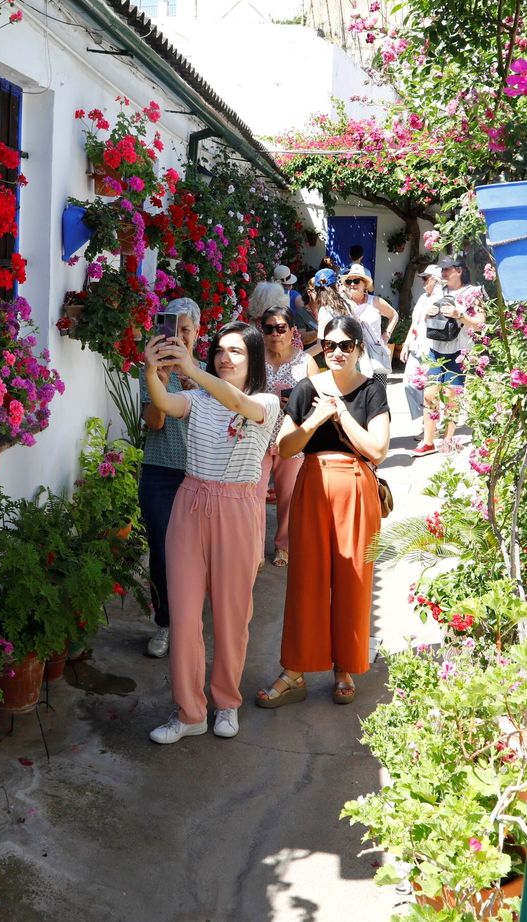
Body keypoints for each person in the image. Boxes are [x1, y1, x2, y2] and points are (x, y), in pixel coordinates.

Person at [143, 321, 280, 744]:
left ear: (253, 358)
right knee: (183, 617)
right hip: (191, 503)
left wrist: (192, 369)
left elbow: (240, 404)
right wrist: (153, 371)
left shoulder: (266, 401)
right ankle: (190, 711)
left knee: (231, 618)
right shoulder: (198, 399)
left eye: (236, 351)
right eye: (220, 349)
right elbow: (165, 402)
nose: (225, 357)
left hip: (237, 511)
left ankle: (226, 702)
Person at [256, 315, 391, 708]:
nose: (335, 352)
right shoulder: (305, 389)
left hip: (355, 488)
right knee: (306, 580)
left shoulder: (371, 391)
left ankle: (344, 666)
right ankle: (294, 670)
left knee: (352, 579)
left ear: (358, 349)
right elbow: (286, 448)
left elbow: (378, 449)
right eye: (329, 345)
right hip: (313, 483)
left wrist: (342, 414)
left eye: (345, 345)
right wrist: (316, 418)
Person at [137, 296, 202, 658]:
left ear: (196, 333)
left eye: (186, 330)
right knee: (161, 550)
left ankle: (190, 620)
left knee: (197, 554)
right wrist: (158, 380)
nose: (178, 338)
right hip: (161, 473)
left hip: (199, 474)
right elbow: (155, 423)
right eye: (171, 330)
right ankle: (165, 623)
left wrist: (195, 380)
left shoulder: (208, 372)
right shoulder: (152, 370)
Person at [414, 257, 486, 454]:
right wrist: (428, 312)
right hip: (436, 347)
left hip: (458, 350)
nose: (444, 273)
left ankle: (448, 439)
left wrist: (459, 314)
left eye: (448, 269)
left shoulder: (473, 293)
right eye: (442, 270)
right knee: (429, 394)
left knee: (451, 395)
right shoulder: (437, 292)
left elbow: (481, 322)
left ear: (459, 271)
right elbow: (424, 318)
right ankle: (428, 441)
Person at [257, 306, 312, 568]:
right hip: (256, 437)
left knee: (289, 497)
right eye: (269, 328)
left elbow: (318, 400)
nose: (275, 334)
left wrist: (298, 404)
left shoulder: (305, 362)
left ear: (292, 332)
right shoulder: (253, 360)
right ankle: (254, 549)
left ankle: (284, 546)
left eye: (281, 328)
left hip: (290, 438)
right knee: (253, 495)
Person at [395, 264, 443, 424]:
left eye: (426, 278)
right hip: (416, 346)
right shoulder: (423, 298)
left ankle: (429, 423)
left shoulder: (441, 298)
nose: (423, 282)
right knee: (409, 383)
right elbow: (415, 323)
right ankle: (425, 418)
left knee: (428, 388)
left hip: (431, 348)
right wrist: (406, 343)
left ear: (435, 280)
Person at [339, 263, 398, 378]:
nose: (352, 284)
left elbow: (394, 315)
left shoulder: (375, 302)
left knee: (376, 392)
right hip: (351, 356)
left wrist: (386, 335)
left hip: (375, 356)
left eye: (356, 281)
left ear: (365, 284)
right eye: (348, 281)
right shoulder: (343, 304)